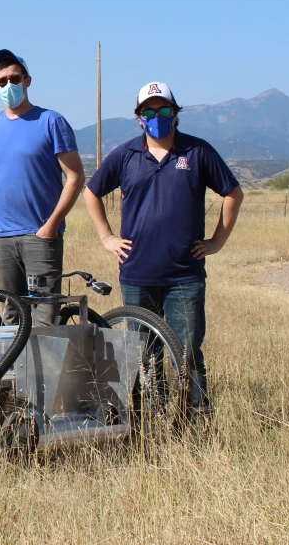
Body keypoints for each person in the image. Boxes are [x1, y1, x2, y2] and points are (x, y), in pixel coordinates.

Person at [83, 81, 243, 417]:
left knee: (187, 351)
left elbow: (233, 193)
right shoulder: (126, 155)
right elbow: (91, 192)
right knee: (145, 352)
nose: (158, 117)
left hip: (184, 274)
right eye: (149, 112)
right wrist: (107, 237)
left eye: (164, 110)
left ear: (176, 113)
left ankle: (196, 414)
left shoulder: (197, 152)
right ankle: (153, 413)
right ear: (139, 117)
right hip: (137, 273)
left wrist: (217, 241)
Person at [0, 49, 85, 324]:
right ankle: (16, 355)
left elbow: (75, 176)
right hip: (2, 235)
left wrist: (52, 225)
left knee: (45, 315)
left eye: (14, 78)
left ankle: (43, 356)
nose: (8, 85)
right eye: (2, 81)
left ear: (27, 80)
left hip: (40, 234)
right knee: (12, 313)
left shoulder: (51, 121)